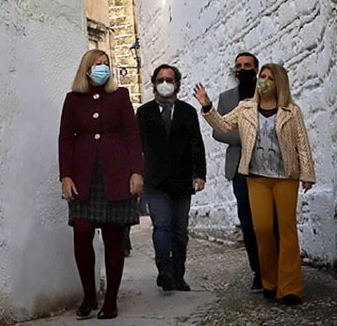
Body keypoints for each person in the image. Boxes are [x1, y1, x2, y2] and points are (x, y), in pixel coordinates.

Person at [193, 63, 315, 306]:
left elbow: (302, 142)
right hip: (256, 176)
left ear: (279, 83)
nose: (265, 81)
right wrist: (207, 106)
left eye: (270, 78)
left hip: (285, 177)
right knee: (262, 229)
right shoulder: (246, 108)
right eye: (263, 77)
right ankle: (269, 281)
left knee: (287, 230)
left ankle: (290, 287)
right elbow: (224, 125)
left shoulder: (291, 110)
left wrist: (307, 174)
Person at [59, 49, 145, 320]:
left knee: (112, 236)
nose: (102, 68)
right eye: (97, 65)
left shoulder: (120, 97)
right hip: (84, 175)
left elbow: (132, 135)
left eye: (106, 64)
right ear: (86, 70)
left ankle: (111, 300)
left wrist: (137, 173)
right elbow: (65, 138)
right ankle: (88, 296)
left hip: (116, 173)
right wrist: (66, 176)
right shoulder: (73, 100)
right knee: (82, 231)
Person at [136, 64, 206, 292]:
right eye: (160, 79)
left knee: (180, 230)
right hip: (155, 180)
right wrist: (136, 174)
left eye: (170, 79)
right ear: (154, 83)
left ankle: (179, 274)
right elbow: (137, 147)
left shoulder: (187, 111)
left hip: (182, 180)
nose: (165, 83)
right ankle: (164, 270)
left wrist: (199, 174)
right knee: (162, 227)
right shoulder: (144, 113)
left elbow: (197, 143)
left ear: (177, 84)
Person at [212, 52, 267, 291]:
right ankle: (258, 270)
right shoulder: (226, 98)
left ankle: (274, 266)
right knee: (248, 221)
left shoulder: (267, 93)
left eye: (247, 65)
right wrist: (247, 136)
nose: (243, 69)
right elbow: (219, 129)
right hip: (239, 168)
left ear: (256, 69)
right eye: (239, 66)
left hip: (267, 165)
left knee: (268, 221)